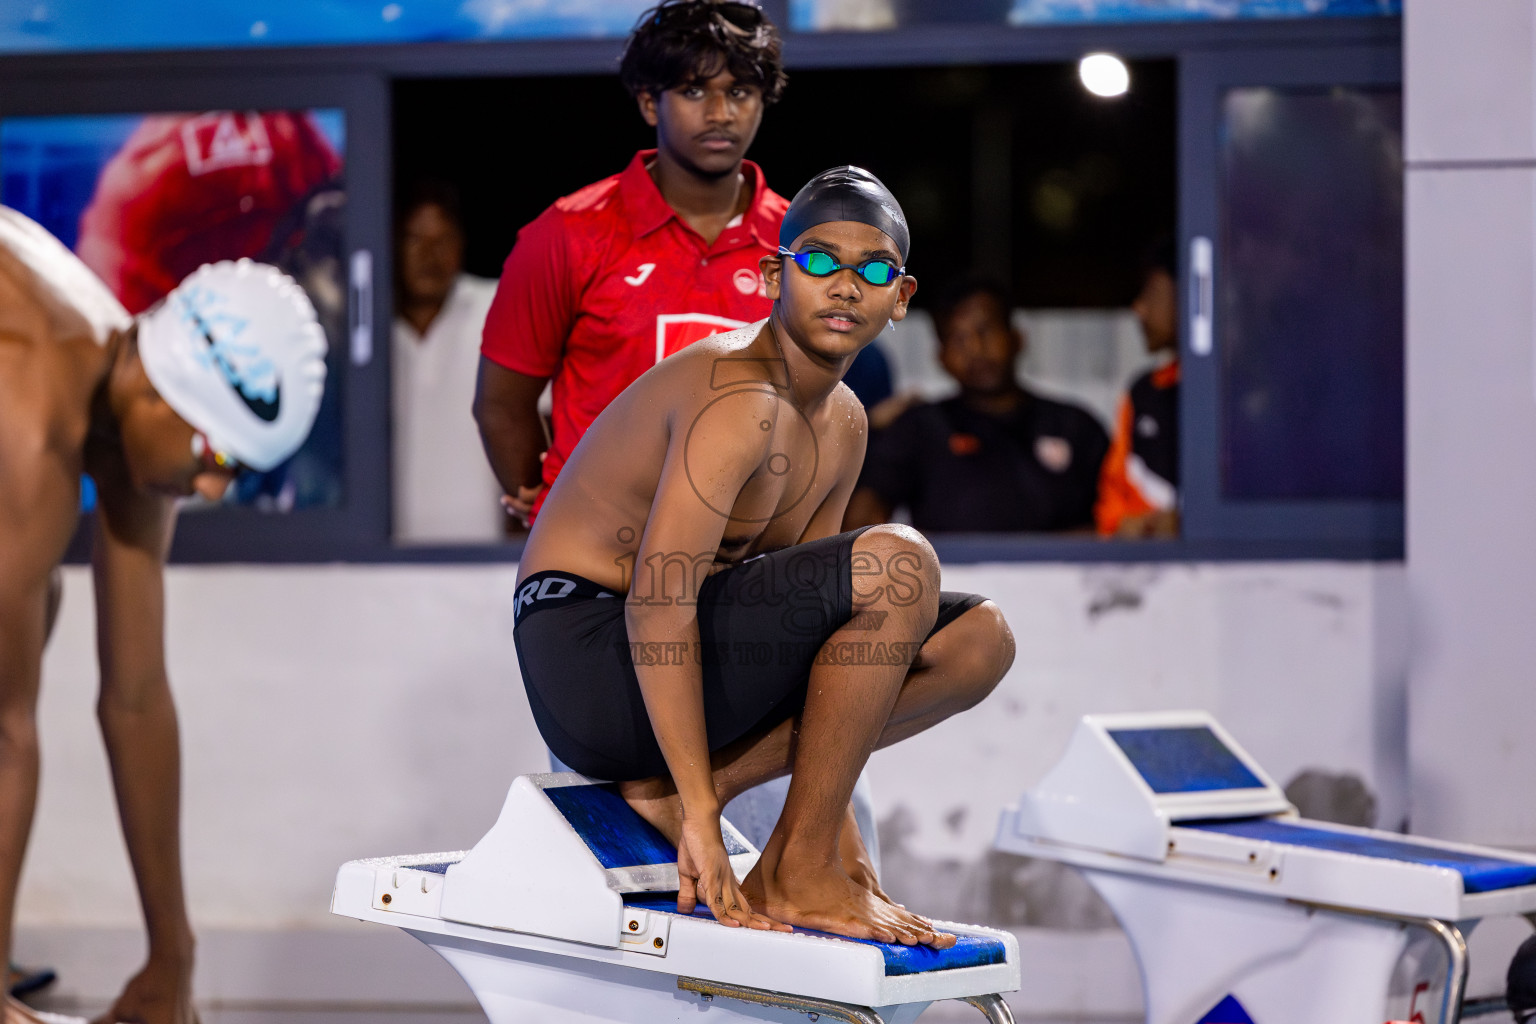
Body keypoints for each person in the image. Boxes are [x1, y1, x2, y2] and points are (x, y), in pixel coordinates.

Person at [512, 167, 1015, 945]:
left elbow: (825, 653)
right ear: (777, 275)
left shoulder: (843, 421)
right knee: (899, 562)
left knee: (979, 641)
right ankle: (767, 851)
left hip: (672, 646)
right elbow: (657, 602)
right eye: (819, 262)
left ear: (901, 298)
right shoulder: (737, 395)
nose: (845, 286)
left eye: (872, 269)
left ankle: (787, 855)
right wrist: (706, 822)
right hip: (588, 654)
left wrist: (839, 838)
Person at [0, 208, 327, 1024]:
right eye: (215, 457)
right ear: (158, 388)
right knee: (25, 611)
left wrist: (170, 958)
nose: (214, 489)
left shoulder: (131, 395)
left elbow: (136, 697)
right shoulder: (33, 424)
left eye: (239, 472)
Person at [474, 0, 790, 527]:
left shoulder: (796, 244)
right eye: (694, 91)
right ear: (649, 103)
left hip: (751, 556)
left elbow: (825, 411)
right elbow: (502, 405)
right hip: (600, 554)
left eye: (739, 91)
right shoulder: (566, 234)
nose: (720, 113)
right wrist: (554, 512)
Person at [844, 276, 1109, 533]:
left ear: (1016, 339)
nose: (976, 349)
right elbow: (864, 518)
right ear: (941, 357)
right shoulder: (919, 428)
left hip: (1068, 575)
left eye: (986, 331)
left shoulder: (1075, 426)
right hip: (948, 576)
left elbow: (1120, 520)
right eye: (959, 338)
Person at [392, 182, 503, 543]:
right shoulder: (361, 334)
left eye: (443, 240)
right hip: (376, 565)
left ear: (462, 244)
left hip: (483, 562)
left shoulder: (499, 309)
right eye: (414, 239)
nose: (430, 255)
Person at [1096, 239, 1179, 539]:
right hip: (1150, 575)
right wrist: (1131, 526)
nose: (1139, 308)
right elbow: (1112, 508)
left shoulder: (1250, 390)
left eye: (1151, 292)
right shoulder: (1144, 393)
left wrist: (1187, 523)